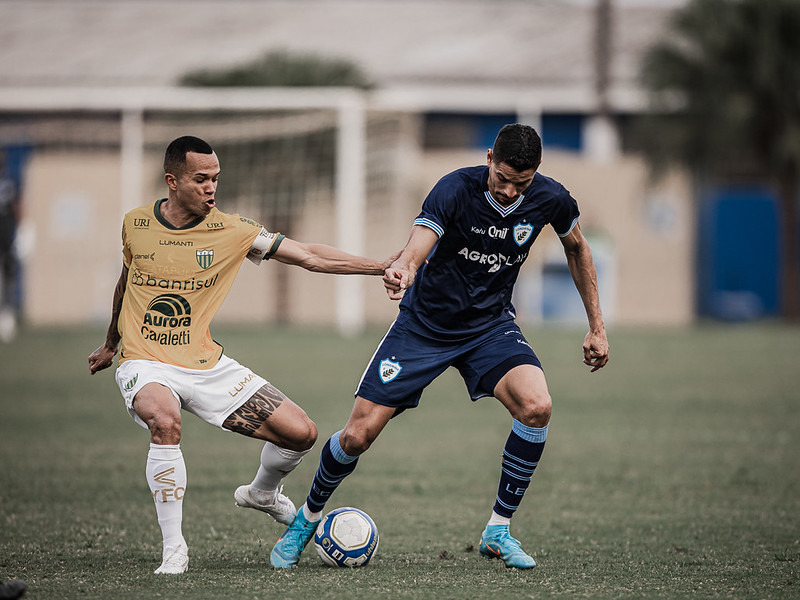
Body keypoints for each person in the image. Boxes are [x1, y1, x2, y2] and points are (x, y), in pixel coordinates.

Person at [270, 123, 610, 569]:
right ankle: (307, 519)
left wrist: (597, 327)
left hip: (489, 328)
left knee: (537, 405)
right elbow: (417, 246)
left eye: (520, 183)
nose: (509, 191)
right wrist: (403, 270)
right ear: (489, 158)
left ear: (536, 174)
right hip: (424, 327)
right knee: (357, 435)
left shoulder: (553, 198)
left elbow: (578, 248)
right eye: (502, 178)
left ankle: (498, 530)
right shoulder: (454, 189)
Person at [88, 136, 397, 575]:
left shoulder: (234, 230)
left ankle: (262, 493)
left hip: (206, 364)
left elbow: (308, 255)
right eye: (201, 179)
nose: (211, 188)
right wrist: (112, 345)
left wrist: (380, 266)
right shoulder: (135, 224)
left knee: (301, 433)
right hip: (144, 361)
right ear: (172, 181)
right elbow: (125, 282)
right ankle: (174, 548)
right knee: (164, 420)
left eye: (216, 179)